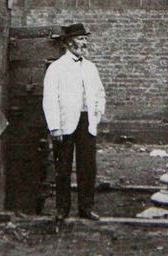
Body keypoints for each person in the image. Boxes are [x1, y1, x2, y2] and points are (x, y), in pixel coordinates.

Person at [42, 22, 106, 222]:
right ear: (69, 43)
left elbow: (100, 93)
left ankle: (86, 208)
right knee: (63, 169)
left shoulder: (90, 67)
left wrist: (97, 114)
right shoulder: (56, 68)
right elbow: (50, 98)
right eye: (80, 39)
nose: (84, 42)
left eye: (85, 39)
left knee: (88, 168)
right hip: (65, 124)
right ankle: (62, 209)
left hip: (87, 123)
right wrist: (55, 127)